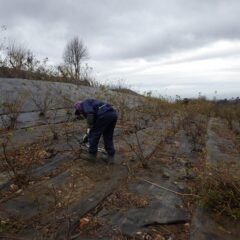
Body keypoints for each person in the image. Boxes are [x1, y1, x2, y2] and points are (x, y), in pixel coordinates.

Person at [74, 99, 118, 163]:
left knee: (94, 135)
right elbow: (94, 122)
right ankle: (110, 157)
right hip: (113, 114)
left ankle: (92, 155)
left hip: (104, 115)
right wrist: (87, 133)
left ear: (79, 106)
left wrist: (89, 131)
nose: (81, 113)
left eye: (79, 111)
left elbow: (90, 114)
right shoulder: (95, 104)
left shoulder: (84, 103)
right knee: (108, 136)